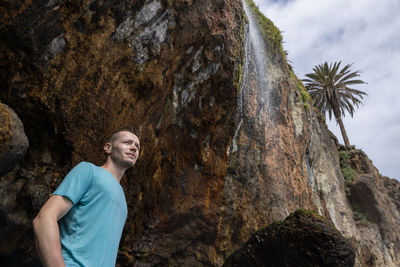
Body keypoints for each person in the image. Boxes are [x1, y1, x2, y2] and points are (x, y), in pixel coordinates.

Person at [33, 127, 140, 267]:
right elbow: (44, 218)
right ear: (108, 148)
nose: (134, 148)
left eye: (137, 146)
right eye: (127, 142)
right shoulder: (89, 171)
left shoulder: (122, 197)